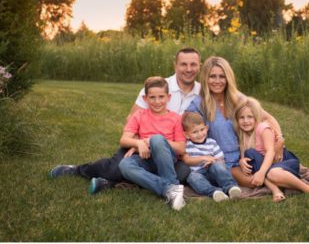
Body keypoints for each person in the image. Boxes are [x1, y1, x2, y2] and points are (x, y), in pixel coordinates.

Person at [49, 47, 201, 194]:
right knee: (117, 168)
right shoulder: (157, 87)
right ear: (175, 65)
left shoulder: (201, 92)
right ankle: (77, 170)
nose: (188, 69)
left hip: (169, 153)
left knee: (182, 174)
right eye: (183, 64)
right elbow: (132, 119)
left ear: (199, 66)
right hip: (139, 145)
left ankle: (111, 183)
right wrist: (139, 143)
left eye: (193, 64)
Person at [186, 56, 286, 187]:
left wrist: (280, 140)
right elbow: (188, 132)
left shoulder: (237, 98)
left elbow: (267, 117)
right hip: (221, 160)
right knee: (253, 182)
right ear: (205, 78)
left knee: (269, 174)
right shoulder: (198, 105)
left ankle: (276, 175)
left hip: (247, 154)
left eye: (222, 76)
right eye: (212, 76)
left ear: (228, 78)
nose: (217, 81)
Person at [235, 97, 309, 202]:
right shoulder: (242, 134)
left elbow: (271, 152)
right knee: (249, 153)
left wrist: (261, 173)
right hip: (266, 164)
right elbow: (244, 153)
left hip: (282, 160)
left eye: (250, 117)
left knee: (272, 173)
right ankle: (276, 190)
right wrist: (242, 161)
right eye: (242, 117)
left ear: (257, 117)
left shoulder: (263, 128)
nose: (246, 121)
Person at [117, 76, 187, 211]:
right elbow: (123, 140)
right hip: (146, 158)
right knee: (125, 164)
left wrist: (151, 140)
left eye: (161, 97)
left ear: (168, 97)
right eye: (152, 97)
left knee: (157, 139)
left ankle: (171, 185)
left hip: (166, 159)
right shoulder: (139, 115)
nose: (157, 101)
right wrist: (138, 143)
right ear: (145, 99)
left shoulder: (175, 119)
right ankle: (170, 189)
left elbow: (181, 148)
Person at [180, 112, 241, 202]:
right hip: (198, 174)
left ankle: (230, 187)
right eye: (195, 132)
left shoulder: (211, 143)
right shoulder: (186, 145)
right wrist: (204, 158)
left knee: (218, 166)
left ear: (206, 128)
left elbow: (221, 160)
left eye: (202, 130)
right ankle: (214, 192)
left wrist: (213, 162)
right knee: (192, 177)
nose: (200, 134)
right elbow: (187, 161)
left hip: (214, 174)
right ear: (187, 135)